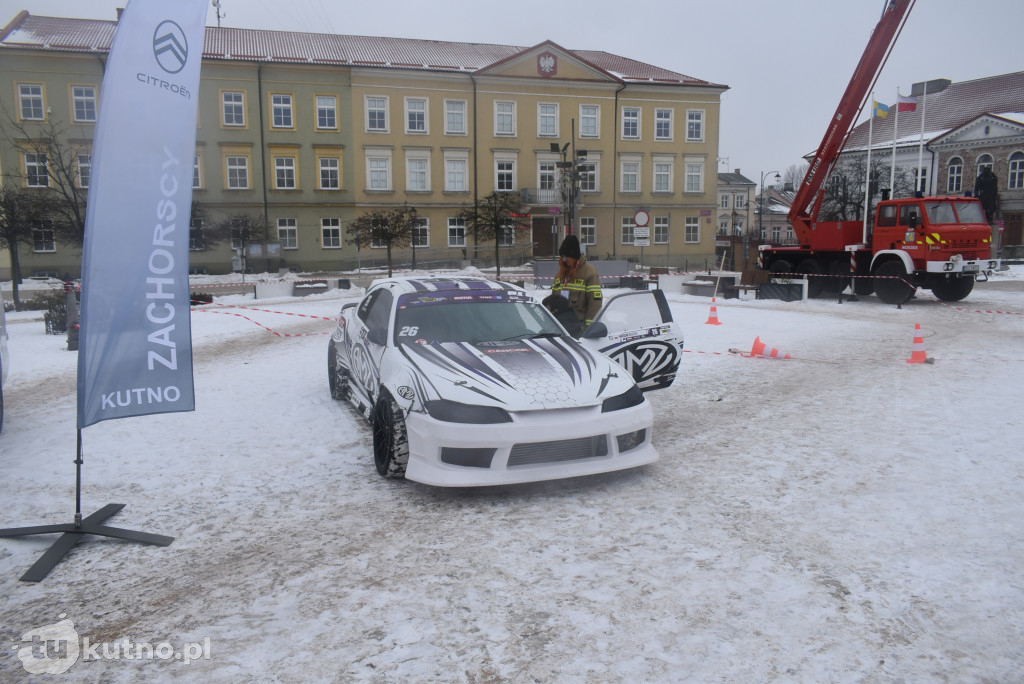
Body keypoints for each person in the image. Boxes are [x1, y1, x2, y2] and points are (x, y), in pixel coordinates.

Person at [551, 234, 602, 328]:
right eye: (562, 256)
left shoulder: (590, 273)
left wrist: (589, 328)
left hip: (578, 327)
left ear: (574, 256)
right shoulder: (560, 273)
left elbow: (595, 304)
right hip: (560, 326)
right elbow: (553, 298)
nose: (564, 259)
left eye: (567, 256)